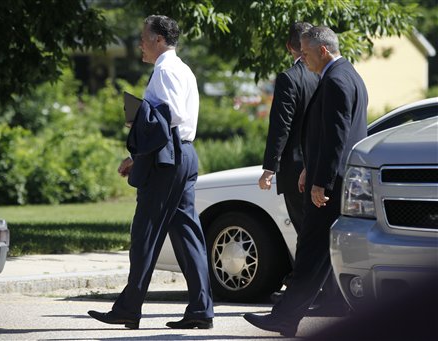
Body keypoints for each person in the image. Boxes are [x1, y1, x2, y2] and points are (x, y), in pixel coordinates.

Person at [87, 15, 214, 330]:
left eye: (143, 38)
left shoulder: (165, 70)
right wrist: (138, 154)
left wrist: (138, 120)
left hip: (168, 160)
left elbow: (171, 116)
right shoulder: (181, 69)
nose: (139, 44)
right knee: (187, 236)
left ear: (159, 39)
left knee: (145, 233)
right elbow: (170, 121)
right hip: (180, 155)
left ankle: (129, 308)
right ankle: (200, 310)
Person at [244, 26, 368, 337]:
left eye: (307, 52)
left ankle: (285, 318)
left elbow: (337, 139)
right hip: (335, 178)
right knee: (319, 252)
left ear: (323, 51)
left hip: (331, 183)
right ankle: (310, 313)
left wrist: (320, 182)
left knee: (311, 250)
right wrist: (308, 168)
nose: (303, 57)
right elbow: (327, 134)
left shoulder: (336, 80)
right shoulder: (351, 75)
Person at [258, 22, 318, 300]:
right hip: (320, 164)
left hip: (295, 167)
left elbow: (280, 127)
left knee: (305, 233)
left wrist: (269, 168)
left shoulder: (289, 78)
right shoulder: (324, 75)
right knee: (316, 231)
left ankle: (306, 290)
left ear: (288, 46)